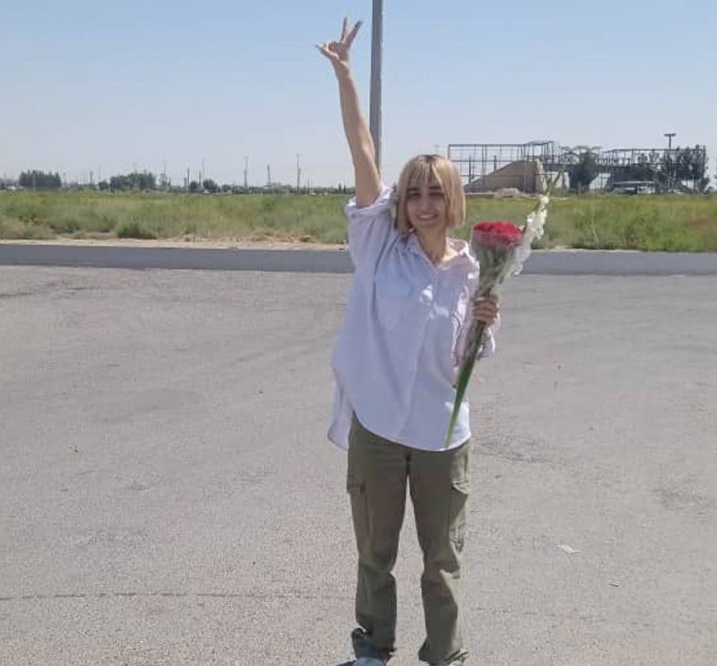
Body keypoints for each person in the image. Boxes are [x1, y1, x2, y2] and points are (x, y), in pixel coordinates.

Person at [318, 18, 501, 666]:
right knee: (375, 552)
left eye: (435, 194)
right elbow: (363, 154)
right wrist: (345, 76)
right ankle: (373, 648)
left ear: (453, 201)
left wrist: (485, 321)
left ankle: (445, 654)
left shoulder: (476, 269)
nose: (424, 204)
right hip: (378, 427)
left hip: (441, 435)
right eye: (414, 193)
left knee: (441, 560)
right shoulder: (378, 249)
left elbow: (466, 359)